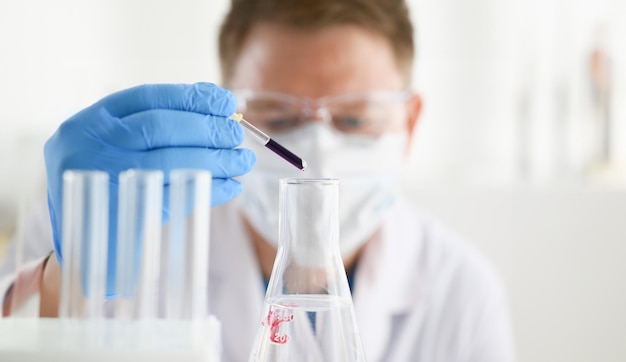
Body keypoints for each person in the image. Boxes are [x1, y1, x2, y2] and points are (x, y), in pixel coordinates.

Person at [0, 0, 515, 361]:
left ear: (410, 121)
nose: (316, 150)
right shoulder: (99, 220)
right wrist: (68, 284)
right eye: (276, 115)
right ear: (227, 111)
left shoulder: (460, 290)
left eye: (354, 119)